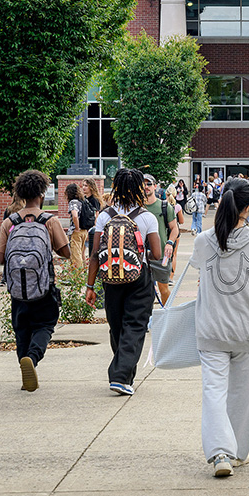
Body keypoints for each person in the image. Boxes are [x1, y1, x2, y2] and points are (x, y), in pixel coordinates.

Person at [192, 178, 249, 477]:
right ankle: (237, 451)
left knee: (214, 391)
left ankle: (219, 452)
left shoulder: (202, 240)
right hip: (247, 329)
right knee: (241, 394)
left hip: (211, 330)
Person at [85, 168, 160, 397]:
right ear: (139, 189)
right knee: (135, 326)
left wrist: (89, 286)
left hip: (110, 279)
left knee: (117, 327)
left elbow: (96, 254)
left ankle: (123, 374)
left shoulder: (104, 216)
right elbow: (156, 254)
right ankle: (120, 376)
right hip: (139, 277)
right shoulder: (147, 217)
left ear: (115, 188)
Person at [0, 170, 70, 392]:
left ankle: (23, 365)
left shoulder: (10, 222)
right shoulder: (50, 221)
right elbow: (65, 252)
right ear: (42, 192)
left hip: (17, 288)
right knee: (45, 325)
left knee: (22, 329)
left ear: (20, 193)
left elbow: (0, 257)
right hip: (44, 286)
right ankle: (33, 358)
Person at [143, 173, 181, 305]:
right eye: (143, 184)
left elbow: (174, 228)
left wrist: (170, 243)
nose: (146, 187)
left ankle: (167, 315)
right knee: (143, 290)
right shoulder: (137, 207)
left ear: (155, 186)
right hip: (141, 256)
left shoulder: (165, 207)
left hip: (160, 255)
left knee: (163, 288)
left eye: (149, 184)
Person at [64, 183, 87, 270]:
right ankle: (83, 273)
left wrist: (76, 228)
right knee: (81, 253)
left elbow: (74, 215)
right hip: (84, 231)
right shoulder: (83, 201)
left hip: (77, 231)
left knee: (75, 255)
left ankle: (78, 276)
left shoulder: (73, 202)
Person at [81, 178, 104, 256]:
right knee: (82, 252)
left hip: (91, 228)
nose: (84, 187)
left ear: (91, 187)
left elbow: (96, 214)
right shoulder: (84, 199)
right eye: (83, 185)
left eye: (86, 186)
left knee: (88, 251)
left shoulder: (94, 200)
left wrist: (93, 228)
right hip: (84, 226)